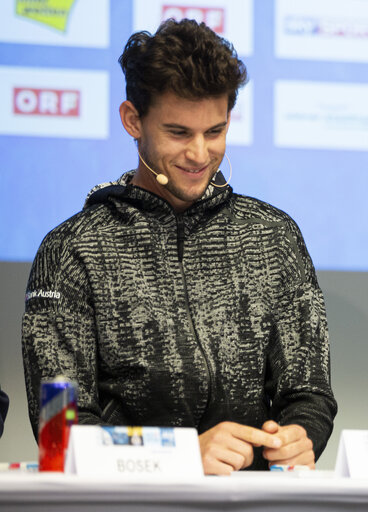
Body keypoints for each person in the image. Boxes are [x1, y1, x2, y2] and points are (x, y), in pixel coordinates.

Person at [22, 19, 336, 475]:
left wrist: (299, 437)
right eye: (178, 133)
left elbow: (309, 395)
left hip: (255, 503)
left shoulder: (273, 236)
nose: (199, 154)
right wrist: (181, 457)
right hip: (126, 506)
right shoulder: (72, 250)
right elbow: (61, 429)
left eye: (215, 131)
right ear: (133, 120)